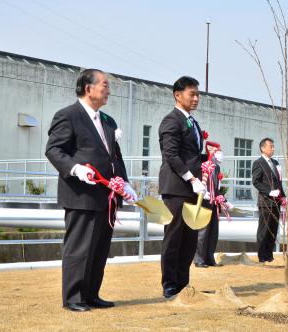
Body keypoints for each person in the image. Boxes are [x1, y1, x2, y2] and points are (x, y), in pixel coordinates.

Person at [45, 69, 136, 312]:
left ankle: (91, 294)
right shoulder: (68, 115)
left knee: (99, 249)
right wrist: (75, 169)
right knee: (79, 248)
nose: (108, 90)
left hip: (106, 197)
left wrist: (124, 182)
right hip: (81, 194)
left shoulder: (107, 120)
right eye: (104, 85)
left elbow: (115, 156)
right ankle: (73, 297)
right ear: (88, 88)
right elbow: (54, 150)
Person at [158, 76, 211, 298]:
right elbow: (171, 154)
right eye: (192, 94)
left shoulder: (192, 121)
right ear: (177, 95)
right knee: (174, 237)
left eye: (198, 94)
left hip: (193, 189)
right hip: (177, 188)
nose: (196, 98)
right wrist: (191, 178)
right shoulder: (172, 120)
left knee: (190, 239)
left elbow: (192, 154)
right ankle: (170, 284)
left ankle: (183, 282)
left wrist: (209, 156)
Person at [194, 148, 233, 268]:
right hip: (204, 200)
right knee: (202, 232)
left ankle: (210, 258)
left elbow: (216, 188)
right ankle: (199, 259)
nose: (220, 155)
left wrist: (223, 200)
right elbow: (198, 181)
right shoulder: (203, 165)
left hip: (214, 202)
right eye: (218, 152)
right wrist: (202, 193)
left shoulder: (217, 168)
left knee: (213, 233)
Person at [251, 137, 286, 263]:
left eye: (273, 146)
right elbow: (256, 182)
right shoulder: (258, 163)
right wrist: (269, 191)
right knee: (264, 230)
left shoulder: (276, 163)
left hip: (276, 202)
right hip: (265, 201)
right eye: (271, 146)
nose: (273, 148)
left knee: (273, 229)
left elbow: (279, 182)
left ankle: (269, 255)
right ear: (263, 148)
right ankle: (262, 256)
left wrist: (283, 196)